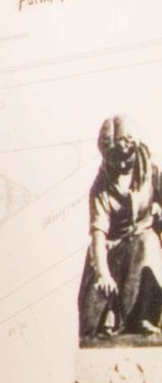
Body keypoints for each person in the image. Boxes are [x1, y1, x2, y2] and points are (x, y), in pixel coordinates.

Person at [80, 114, 162, 340]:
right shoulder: (100, 188)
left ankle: (143, 316)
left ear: (136, 148)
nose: (122, 165)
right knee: (94, 326)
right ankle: (108, 320)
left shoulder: (153, 170)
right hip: (112, 254)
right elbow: (98, 235)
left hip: (144, 249)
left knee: (147, 242)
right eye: (115, 159)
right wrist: (103, 273)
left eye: (127, 157)